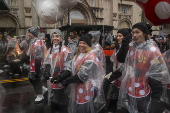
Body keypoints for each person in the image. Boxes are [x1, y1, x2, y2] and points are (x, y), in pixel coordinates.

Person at [117, 22, 169, 113]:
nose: (135, 35)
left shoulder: (152, 50)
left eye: (137, 32)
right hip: (129, 89)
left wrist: (156, 97)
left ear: (144, 33)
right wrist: (124, 46)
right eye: (133, 33)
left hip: (144, 92)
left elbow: (157, 74)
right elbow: (120, 59)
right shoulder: (130, 46)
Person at [51, 35, 106, 113]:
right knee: (79, 108)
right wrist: (60, 77)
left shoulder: (91, 57)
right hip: (79, 86)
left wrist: (67, 81)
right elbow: (70, 68)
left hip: (89, 88)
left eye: (84, 43)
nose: (81, 45)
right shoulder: (78, 55)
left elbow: (82, 76)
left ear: (89, 45)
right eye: (80, 43)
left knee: (86, 109)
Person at [43, 29, 73, 113]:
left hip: (62, 83)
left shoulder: (66, 51)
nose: (55, 38)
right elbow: (47, 62)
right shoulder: (50, 50)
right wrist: (46, 71)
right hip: (52, 82)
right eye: (53, 36)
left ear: (61, 38)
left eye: (57, 36)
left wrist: (60, 77)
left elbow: (69, 68)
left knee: (62, 104)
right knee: (53, 102)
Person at [105, 28, 131, 113]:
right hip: (116, 79)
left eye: (120, 36)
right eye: (117, 36)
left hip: (124, 79)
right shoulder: (117, 48)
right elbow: (113, 61)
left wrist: (112, 77)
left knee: (125, 102)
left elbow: (123, 66)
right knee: (114, 99)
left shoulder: (128, 49)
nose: (118, 38)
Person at [27, 26, 47, 103]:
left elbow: (38, 58)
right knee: (31, 78)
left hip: (37, 66)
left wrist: (36, 70)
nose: (28, 34)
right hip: (33, 65)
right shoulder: (33, 42)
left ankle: (40, 95)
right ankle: (42, 89)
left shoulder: (38, 43)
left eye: (29, 33)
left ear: (33, 33)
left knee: (36, 80)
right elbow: (30, 54)